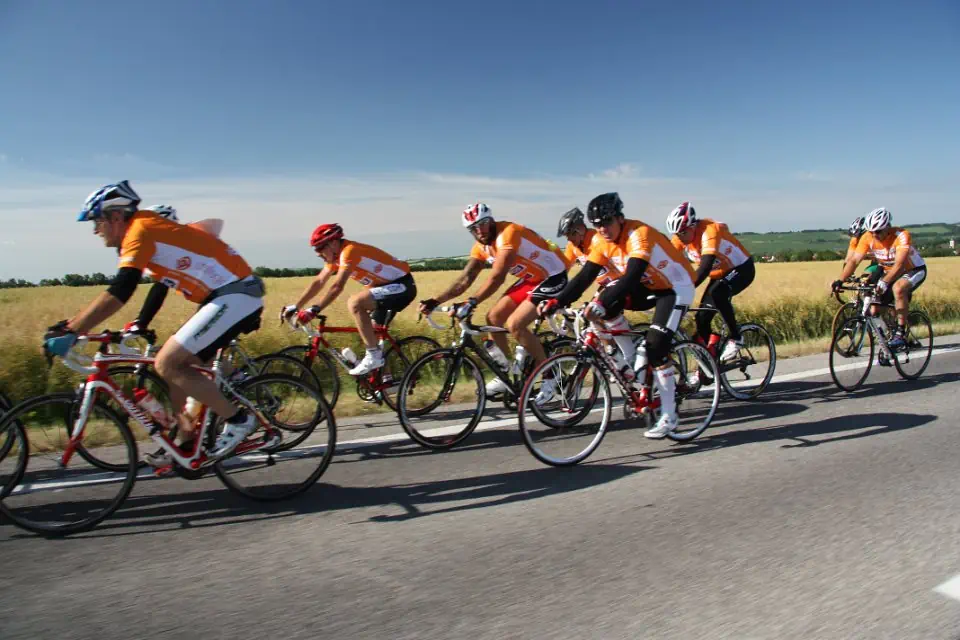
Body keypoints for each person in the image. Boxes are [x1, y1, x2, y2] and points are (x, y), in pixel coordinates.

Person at [44, 181, 266, 461]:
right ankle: (186, 439)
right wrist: (72, 325)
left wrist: (73, 329)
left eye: (97, 221)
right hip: (222, 297)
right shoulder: (145, 230)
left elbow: (121, 290)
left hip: (236, 293)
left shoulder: (140, 230)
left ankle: (239, 420)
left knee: (167, 363)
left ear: (116, 216)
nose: (95, 230)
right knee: (173, 368)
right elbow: (152, 290)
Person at [538, 193, 696, 439]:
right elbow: (585, 276)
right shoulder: (603, 241)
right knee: (608, 304)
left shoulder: (639, 234)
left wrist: (601, 303)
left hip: (675, 289)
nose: (603, 228)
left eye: (607, 222)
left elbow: (632, 276)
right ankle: (631, 358)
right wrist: (557, 301)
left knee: (656, 348)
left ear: (620, 218)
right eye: (597, 225)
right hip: (650, 286)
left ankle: (669, 415)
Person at [417, 203, 569, 398]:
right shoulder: (480, 248)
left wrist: (471, 302)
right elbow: (465, 279)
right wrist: (435, 300)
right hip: (531, 280)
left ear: (491, 221)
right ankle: (505, 374)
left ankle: (551, 375)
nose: (480, 231)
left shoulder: (508, 233)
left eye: (483, 224)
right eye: (474, 228)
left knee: (515, 324)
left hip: (554, 276)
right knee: (493, 318)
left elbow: (497, 277)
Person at [281, 224, 417, 375]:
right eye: (315, 249)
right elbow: (319, 281)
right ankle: (386, 380)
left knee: (355, 303)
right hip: (383, 289)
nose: (318, 253)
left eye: (320, 247)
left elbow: (337, 286)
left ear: (333, 243)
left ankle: (373, 356)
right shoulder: (335, 258)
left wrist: (314, 310)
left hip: (402, 286)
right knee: (369, 333)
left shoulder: (350, 251)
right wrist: (296, 306)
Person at [666, 202, 754, 362]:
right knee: (701, 318)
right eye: (676, 234)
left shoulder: (709, 231)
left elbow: (705, 267)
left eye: (683, 232)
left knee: (718, 293)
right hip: (719, 274)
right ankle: (711, 362)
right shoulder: (681, 238)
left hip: (741, 268)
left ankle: (736, 338)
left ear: (693, 226)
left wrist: (685, 289)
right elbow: (667, 261)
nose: (679, 237)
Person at [833, 208, 927, 351]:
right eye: (871, 232)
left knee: (898, 289)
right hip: (889, 271)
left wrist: (884, 282)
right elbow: (854, 260)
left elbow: (899, 265)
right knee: (874, 306)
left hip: (912, 270)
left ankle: (901, 334)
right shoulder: (868, 237)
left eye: (878, 231)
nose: (874, 235)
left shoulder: (901, 235)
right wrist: (840, 280)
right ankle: (889, 336)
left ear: (887, 227)